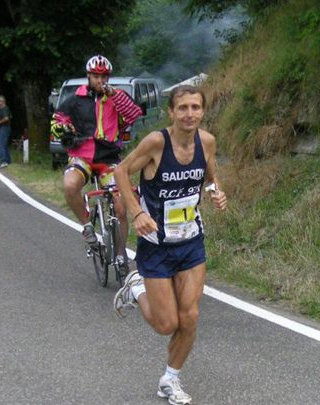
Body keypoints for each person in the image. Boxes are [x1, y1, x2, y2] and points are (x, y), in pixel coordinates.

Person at [112, 85, 227, 405]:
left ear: (202, 111)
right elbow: (121, 171)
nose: (190, 114)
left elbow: (210, 177)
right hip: (156, 245)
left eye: (196, 107)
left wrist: (216, 192)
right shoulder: (156, 143)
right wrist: (136, 213)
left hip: (190, 242)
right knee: (166, 324)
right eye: (183, 108)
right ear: (171, 112)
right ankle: (136, 287)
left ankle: (170, 379)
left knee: (189, 316)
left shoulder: (207, 142)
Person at [50, 54, 142, 254]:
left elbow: (134, 114)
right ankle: (87, 226)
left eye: (104, 76)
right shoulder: (74, 99)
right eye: (96, 76)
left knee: (120, 208)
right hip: (81, 156)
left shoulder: (117, 97)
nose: (100, 80)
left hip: (108, 158)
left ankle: (120, 255)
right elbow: (56, 122)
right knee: (69, 185)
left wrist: (114, 95)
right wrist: (63, 129)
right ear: (88, 76)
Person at [0, 95, 12, 169]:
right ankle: (8, 160)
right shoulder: (2, 109)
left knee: (1, 144)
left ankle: (4, 161)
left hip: (5, 128)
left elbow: (6, 118)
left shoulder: (4, 109)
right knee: (4, 144)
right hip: (3, 128)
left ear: (2, 101)